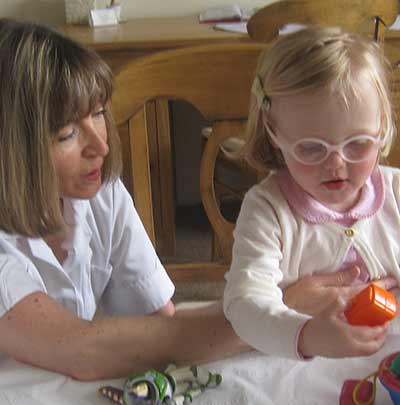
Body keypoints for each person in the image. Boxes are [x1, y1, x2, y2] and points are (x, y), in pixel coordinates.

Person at [0, 19, 252, 381]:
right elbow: (82, 350)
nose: (101, 145)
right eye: (68, 133)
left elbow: (160, 323)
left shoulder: (100, 195)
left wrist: (268, 308)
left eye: (98, 113)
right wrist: (269, 320)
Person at [223, 26, 400, 360]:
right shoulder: (268, 210)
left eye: (359, 144)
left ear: (382, 129)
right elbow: (244, 304)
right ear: (274, 133)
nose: (336, 164)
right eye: (311, 149)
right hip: (293, 370)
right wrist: (305, 337)